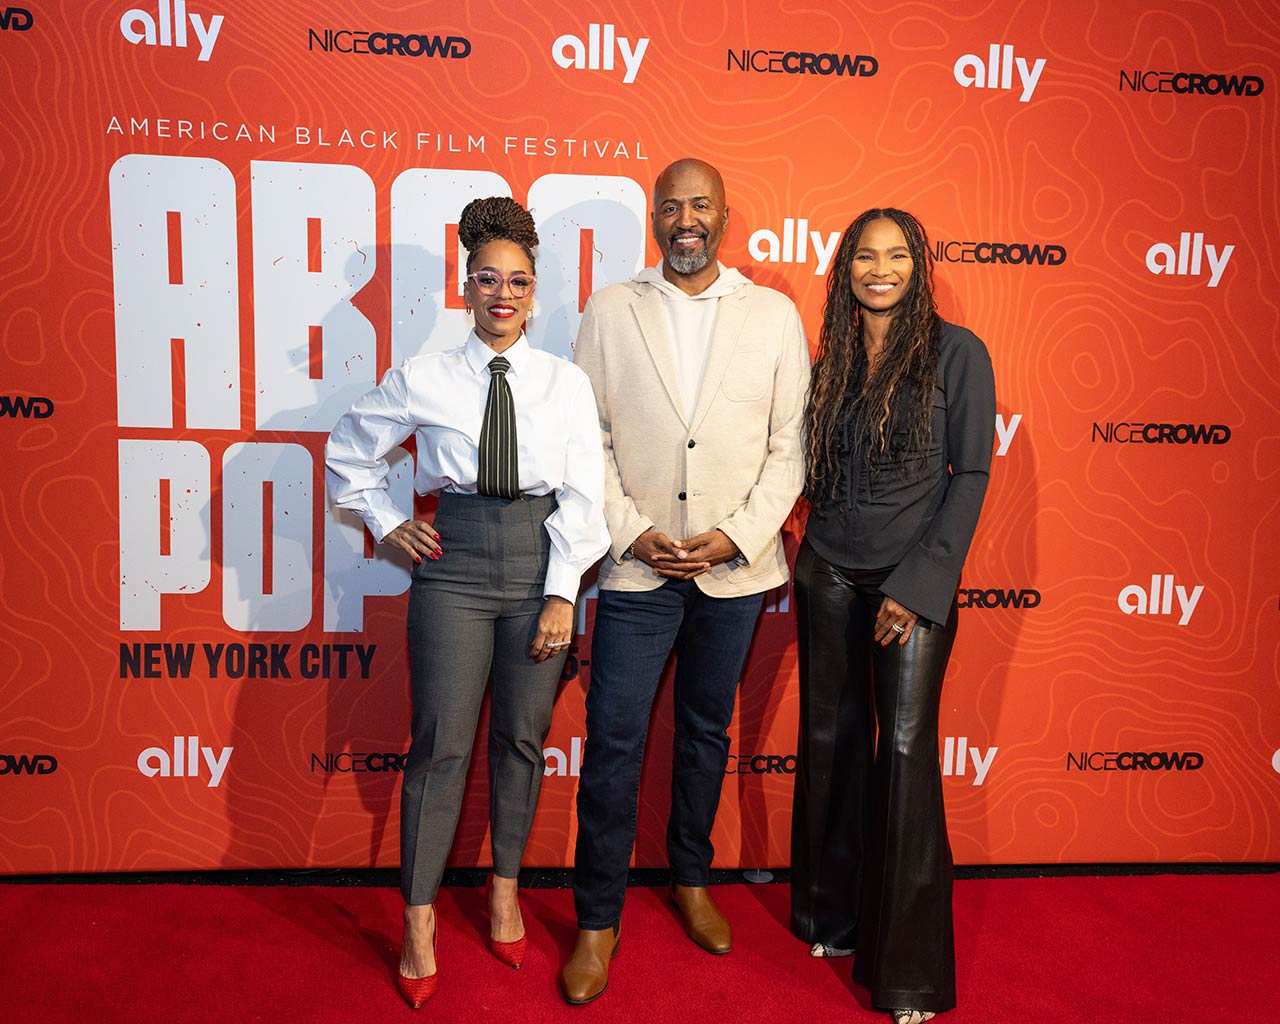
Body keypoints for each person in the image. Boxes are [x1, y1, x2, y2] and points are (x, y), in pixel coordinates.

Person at [325, 196, 609, 1009]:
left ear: (533, 290)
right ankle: (418, 921)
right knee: (441, 747)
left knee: (522, 740)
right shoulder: (424, 378)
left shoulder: (564, 383)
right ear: (467, 286)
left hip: (539, 567)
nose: (502, 294)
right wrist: (388, 521)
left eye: (518, 280)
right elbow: (348, 451)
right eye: (487, 278)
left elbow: (585, 495)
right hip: (453, 567)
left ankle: (504, 890)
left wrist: (561, 594)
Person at [560, 158, 811, 1005]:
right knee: (614, 741)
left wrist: (735, 536)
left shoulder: (772, 316)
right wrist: (633, 530)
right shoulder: (611, 309)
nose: (686, 220)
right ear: (655, 220)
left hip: (733, 571)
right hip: (638, 568)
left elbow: (790, 446)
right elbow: (586, 437)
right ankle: (597, 917)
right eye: (671, 207)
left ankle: (691, 878)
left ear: (725, 217)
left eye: (701, 205)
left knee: (706, 732)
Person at [789, 208, 996, 1023]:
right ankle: (830, 916)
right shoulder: (832, 360)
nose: (880, 269)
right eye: (865, 256)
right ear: (845, 269)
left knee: (904, 749)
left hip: (911, 582)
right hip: (827, 571)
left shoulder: (958, 352)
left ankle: (909, 975)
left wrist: (917, 585)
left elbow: (970, 475)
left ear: (919, 266)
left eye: (897, 255)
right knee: (829, 740)